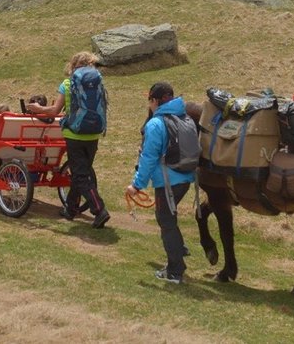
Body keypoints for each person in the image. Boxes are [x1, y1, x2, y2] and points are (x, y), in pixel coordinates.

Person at [27, 51, 109, 228]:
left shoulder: (67, 83)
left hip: (75, 135)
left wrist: (37, 108)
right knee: (82, 172)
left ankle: (99, 209)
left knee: (80, 176)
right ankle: (71, 209)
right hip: (94, 133)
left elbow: (55, 111)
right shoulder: (98, 81)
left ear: (73, 66)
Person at [125, 82, 196, 284]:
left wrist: (136, 185)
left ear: (155, 100)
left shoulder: (155, 124)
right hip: (185, 178)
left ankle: (175, 271)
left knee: (166, 221)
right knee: (169, 219)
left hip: (167, 182)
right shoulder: (184, 116)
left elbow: (148, 158)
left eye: (150, 101)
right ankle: (179, 251)